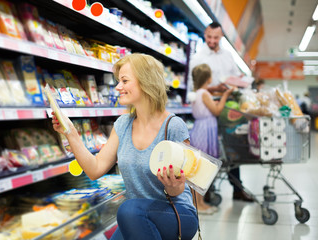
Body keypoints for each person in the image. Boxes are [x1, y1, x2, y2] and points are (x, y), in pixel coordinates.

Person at [52, 53, 198, 240]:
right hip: (136, 216)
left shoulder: (174, 126)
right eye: (118, 81)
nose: (118, 87)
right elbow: (95, 169)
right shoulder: (123, 124)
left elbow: (181, 189)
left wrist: (174, 185)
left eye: (124, 81)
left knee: (128, 209)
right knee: (129, 212)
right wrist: (70, 132)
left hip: (176, 214)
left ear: (146, 81)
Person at [189, 21, 253, 202]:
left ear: (221, 37)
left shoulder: (228, 56)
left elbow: (233, 76)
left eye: (215, 37)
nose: (211, 40)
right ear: (204, 35)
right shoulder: (198, 57)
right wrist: (215, 88)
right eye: (209, 37)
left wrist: (238, 81)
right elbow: (195, 87)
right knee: (209, 151)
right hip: (209, 105)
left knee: (232, 145)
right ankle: (207, 190)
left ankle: (237, 189)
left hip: (227, 106)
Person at [189, 64, 234, 214]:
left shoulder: (198, 93)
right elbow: (216, 111)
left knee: (199, 168)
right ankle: (198, 205)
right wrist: (225, 96)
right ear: (208, 78)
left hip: (200, 129)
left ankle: (199, 203)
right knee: (201, 169)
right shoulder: (204, 93)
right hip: (204, 132)